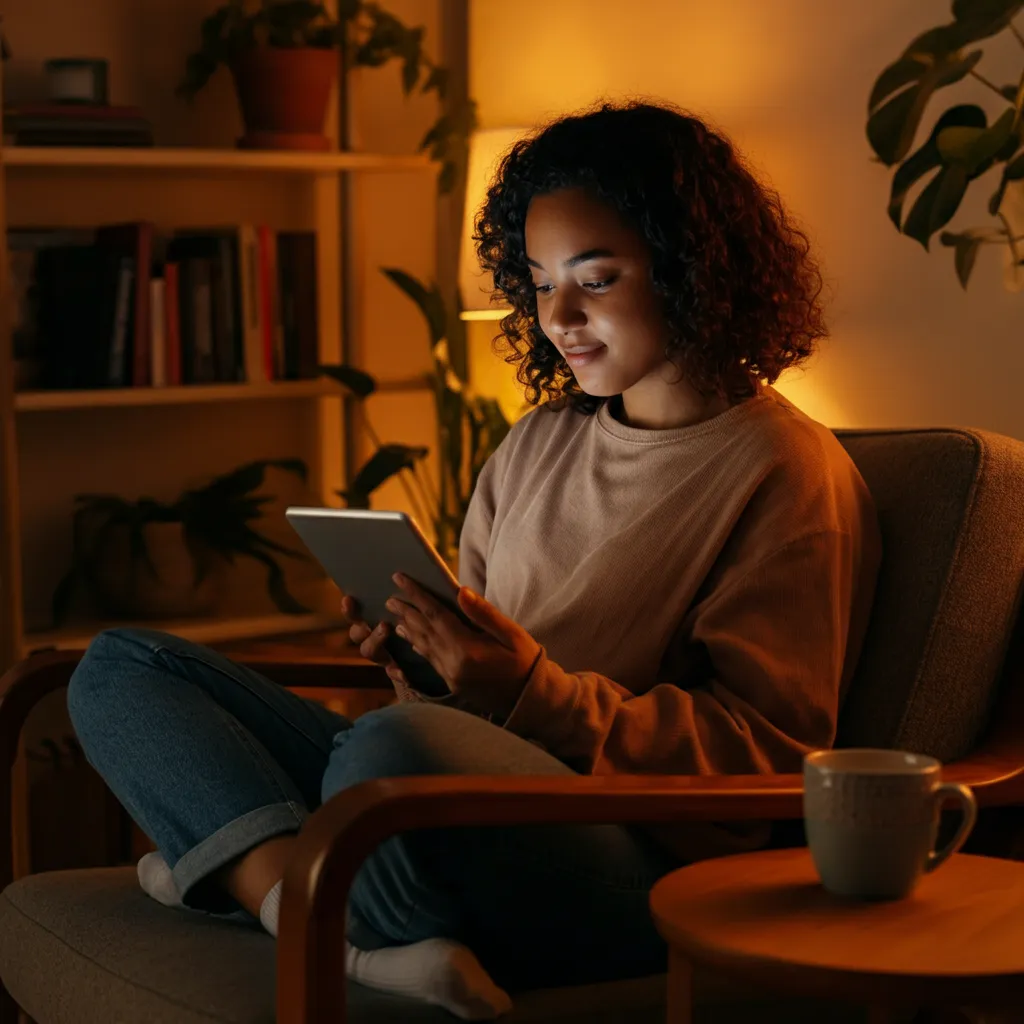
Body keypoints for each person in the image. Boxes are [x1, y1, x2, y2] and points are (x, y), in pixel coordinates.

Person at [67, 100, 882, 1021]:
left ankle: (238, 872)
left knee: (385, 750)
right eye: (538, 283)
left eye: (597, 278)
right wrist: (422, 658)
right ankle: (326, 922)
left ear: (694, 269)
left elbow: (770, 755)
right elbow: (463, 705)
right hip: (464, 789)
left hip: (622, 851)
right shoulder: (536, 442)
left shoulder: (787, 473)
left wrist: (526, 691)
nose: (560, 316)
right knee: (121, 669)